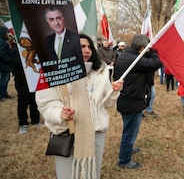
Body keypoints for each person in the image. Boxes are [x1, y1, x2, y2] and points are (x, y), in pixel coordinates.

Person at [36, 33, 123, 179]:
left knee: (92, 173)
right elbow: (45, 103)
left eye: (89, 46)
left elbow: (107, 105)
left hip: (95, 132)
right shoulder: (53, 72)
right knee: (67, 175)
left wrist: (114, 92)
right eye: (82, 46)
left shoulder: (100, 73)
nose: (87, 50)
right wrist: (59, 114)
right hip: (68, 132)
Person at [113, 34, 162, 169]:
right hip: (132, 101)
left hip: (126, 98)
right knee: (130, 132)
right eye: (146, 48)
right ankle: (124, 160)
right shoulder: (135, 60)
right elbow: (155, 63)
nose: (148, 50)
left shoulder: (125, 55)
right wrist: (153, 51)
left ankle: (128, 149)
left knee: (128, 128)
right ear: (141, 48)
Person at [10, 40, 42, 133]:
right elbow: (15, 64)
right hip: (22, 82)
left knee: (34, 102)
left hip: (33, 81)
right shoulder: (15, 51)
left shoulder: (33, 49)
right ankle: (23, 124)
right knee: (23, 103)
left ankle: (35, 121)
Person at [43, 6, 85, 76]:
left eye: (58, 18)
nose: (56, 23)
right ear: (48, 22)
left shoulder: (76, 38)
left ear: (63, 18)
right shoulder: (48, 40)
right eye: (51, 19)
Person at [0, 26, 12, 100]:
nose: (8, 34)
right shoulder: (1, 42)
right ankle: (2, 95)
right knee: (4, 80)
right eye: (7, 32)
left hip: (4, 65)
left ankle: (4, 94)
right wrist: (8, 60)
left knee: (5, 79)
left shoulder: (3, 41)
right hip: (3, 65)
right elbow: (1, 53)